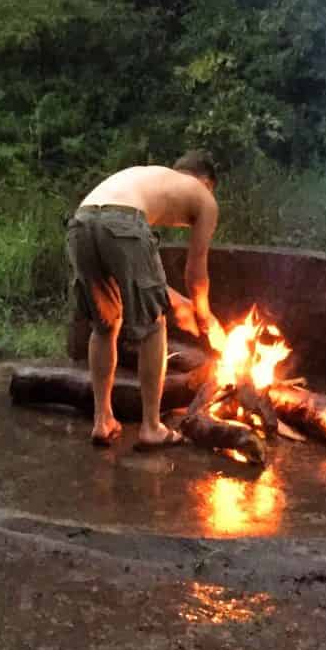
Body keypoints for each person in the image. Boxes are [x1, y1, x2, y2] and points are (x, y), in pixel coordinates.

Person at [65, 152, 223, 447]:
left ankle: (103, 420)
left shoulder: (152, 179)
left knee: (104, 325)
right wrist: (204, 316)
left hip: (81, 221)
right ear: (205, 182)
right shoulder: (204, 197)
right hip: (123, 221)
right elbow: (195, 271)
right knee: (153, 327)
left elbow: (145, 280)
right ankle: (151, 427)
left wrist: (182, 305)